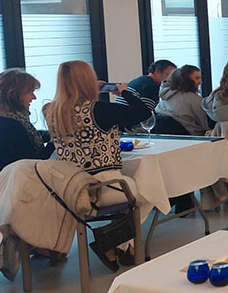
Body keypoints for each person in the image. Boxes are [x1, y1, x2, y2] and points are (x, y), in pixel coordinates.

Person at [43, 60, 151, 270]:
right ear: (87, 82)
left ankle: (123, 247)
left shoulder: (51, 110)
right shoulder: (99, 110)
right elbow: (143, 112)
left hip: (68, 187)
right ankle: (114, 243)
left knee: (137, 193)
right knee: (151, 193)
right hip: (103, 185)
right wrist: (124, 91)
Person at [0, 69, 54, 174]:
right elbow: (33, 162)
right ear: (15, 95)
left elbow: (26, 138)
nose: (34, 97)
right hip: (12, 179)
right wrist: (54, 142)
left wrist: (50, 134)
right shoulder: (11, 125)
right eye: (30, 92)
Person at [156, 65, 210, 136]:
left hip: (162, 136)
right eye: (197, 78)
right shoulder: (194, 100)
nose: (200, 82)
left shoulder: (165, 97)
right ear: (187, 80)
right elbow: (205, 126)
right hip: (192, 137)